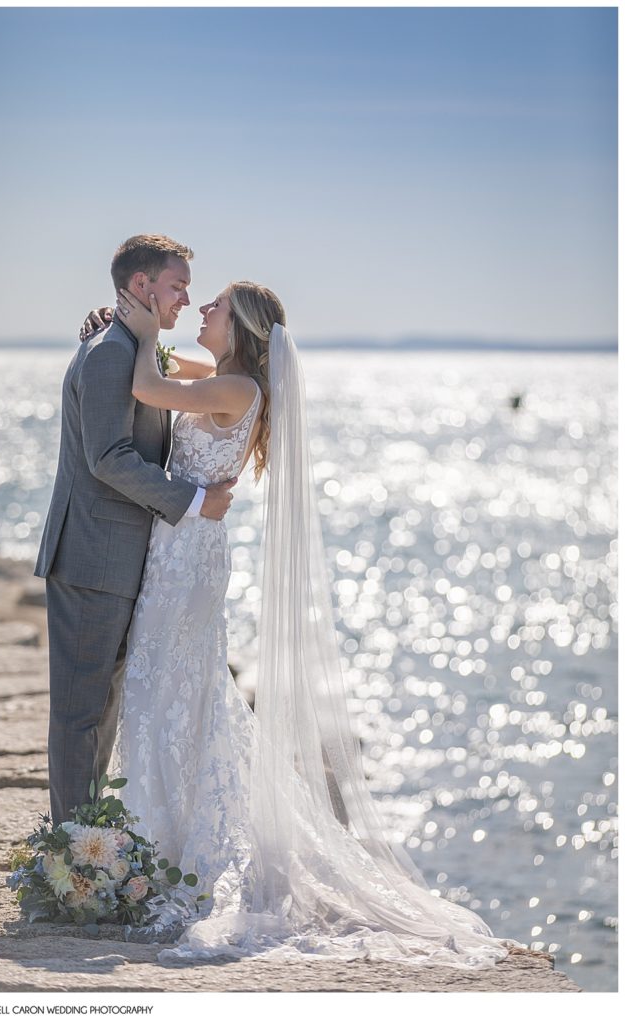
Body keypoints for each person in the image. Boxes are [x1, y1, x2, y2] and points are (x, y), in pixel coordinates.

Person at [84, 279, 515, 967]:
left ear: (244, 328)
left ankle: (155, 844)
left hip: (189, 560)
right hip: (182, 551)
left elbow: (147, 390)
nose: (201, 310)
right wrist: (130, 331)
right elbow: (166, 370)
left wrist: (138, 331)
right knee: (171, 690)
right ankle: (156, 837)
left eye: (214, 306)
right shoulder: (227, 379)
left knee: (161, 686)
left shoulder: (237, 392)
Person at [34, 234, 236, 828]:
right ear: (142, 286)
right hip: (91, 559)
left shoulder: (133, 347)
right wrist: (195, 500)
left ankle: (90, 845)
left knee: (103, 708)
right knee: (81, 713)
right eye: (177, 286)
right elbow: (108, 458)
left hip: (120, 560)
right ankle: (74, 857)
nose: (185, 299)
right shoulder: (109, 353)